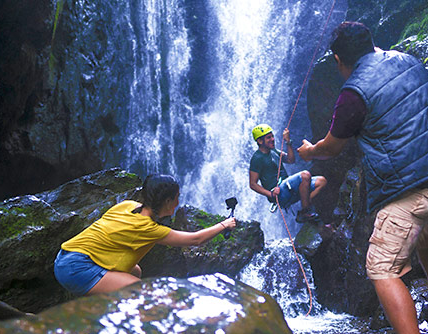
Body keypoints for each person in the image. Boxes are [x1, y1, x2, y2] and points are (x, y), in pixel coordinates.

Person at [298, 22, 428, 334]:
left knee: (381, 266)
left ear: (338, 60)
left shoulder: (353, 93)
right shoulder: (405, 59)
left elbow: (332, 148)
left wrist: (308, 151)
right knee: (420, 231)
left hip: (420, 186)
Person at [54, 174, 236, 296]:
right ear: (167, 201)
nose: (178, 202)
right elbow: (195, 239)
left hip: (65, 256)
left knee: (136, 270)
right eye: (176, 197)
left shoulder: (127, 205)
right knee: (144, 294)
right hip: (76, 269)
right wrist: (224, 224)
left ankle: (107, 306)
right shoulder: (149, 229)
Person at [248, 123, 326, 223]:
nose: (272, 139)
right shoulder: (257, 158)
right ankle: (305, 212)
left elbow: (290, 160)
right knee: (305, 175)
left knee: (322, 181)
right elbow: (252, 184)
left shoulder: (274, 151)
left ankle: (304, 206)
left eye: (272, 136)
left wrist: (288, 142)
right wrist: (270, 194)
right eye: (268, 138)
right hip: (280, 193)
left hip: (289, 189)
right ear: (259, 141)